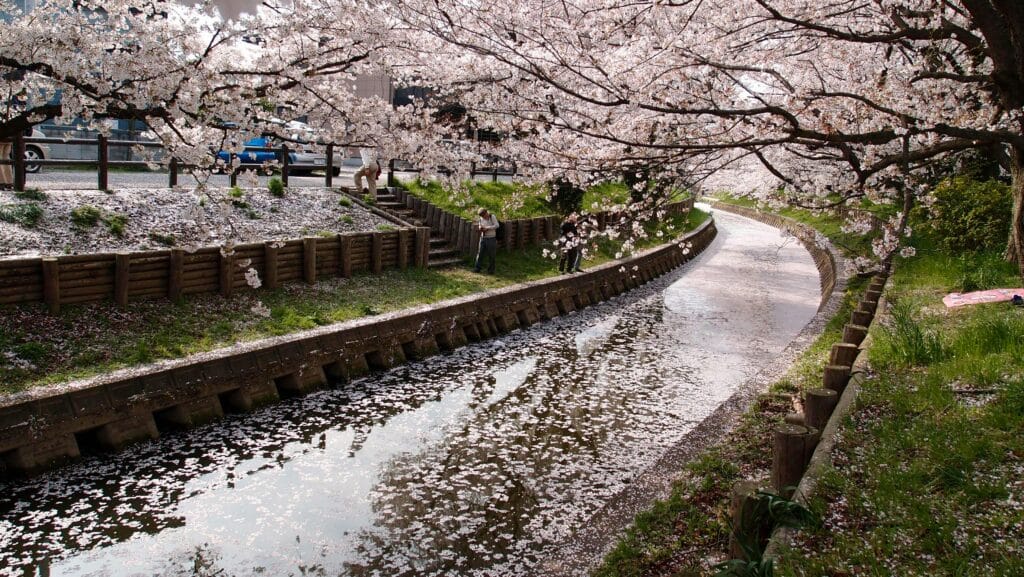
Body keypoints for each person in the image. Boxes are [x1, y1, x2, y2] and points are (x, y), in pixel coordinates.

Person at [474, 207, 499, 274]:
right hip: (483, 238)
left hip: (491, 238)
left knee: (491, 255)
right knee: (480, 254)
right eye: (482, 216)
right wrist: (480, 228)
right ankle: (477, 268)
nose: (484, 217)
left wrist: (487, 228)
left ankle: (491, 270)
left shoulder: (492, 216)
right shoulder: (481, 218)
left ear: (486, 212)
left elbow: (497, 225)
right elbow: (480, 224)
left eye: (484, 215)